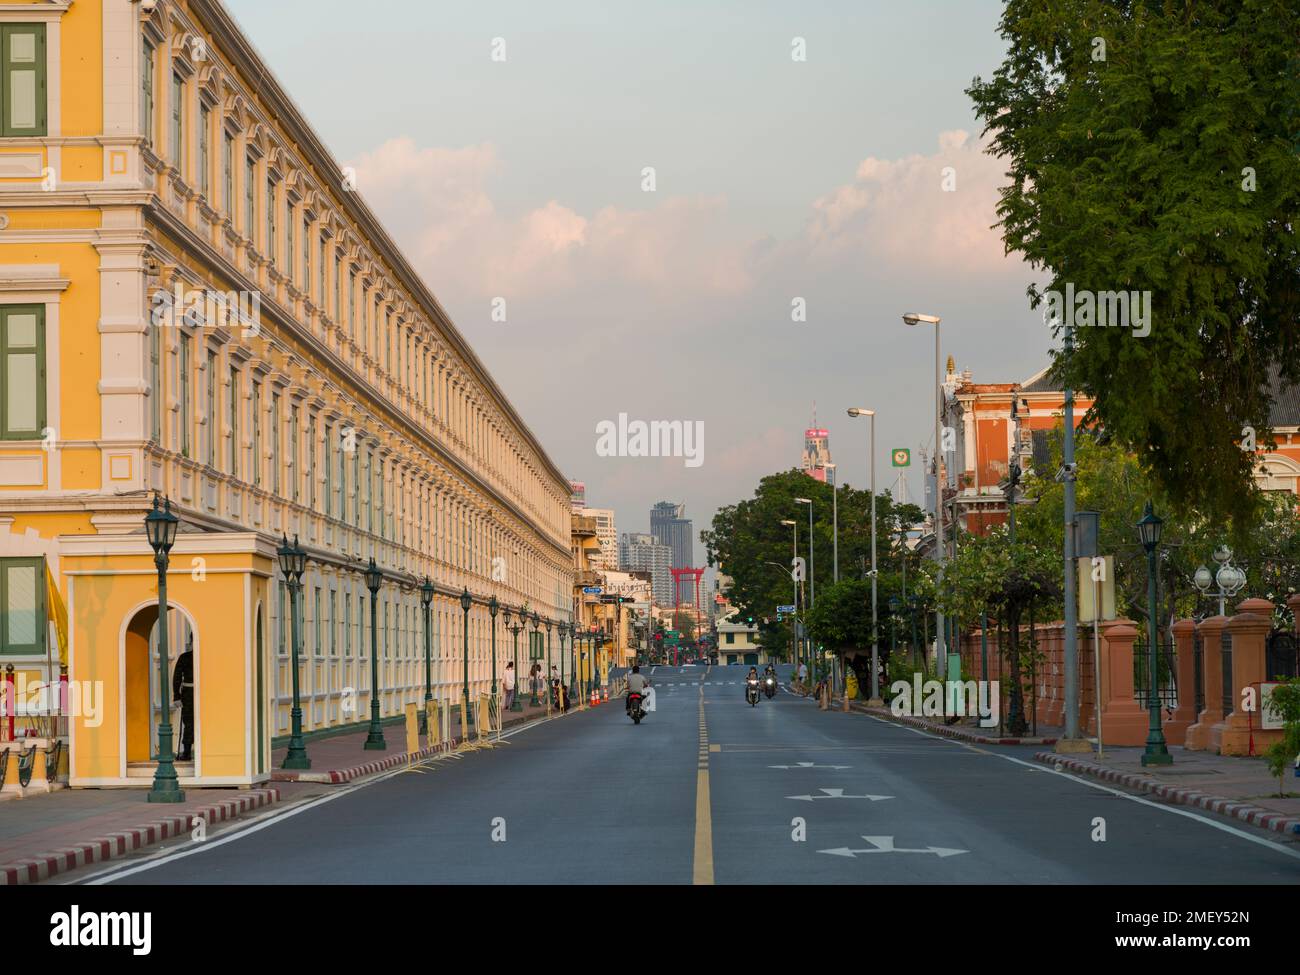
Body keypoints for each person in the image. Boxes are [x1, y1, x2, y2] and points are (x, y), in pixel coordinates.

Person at [172, 634, 195, 762]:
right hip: (188, 693)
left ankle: (187, 752)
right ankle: (186, 752)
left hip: (194, 693)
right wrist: (177, 696)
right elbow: (177, 677)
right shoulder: (185, 657)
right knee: (189, 723)